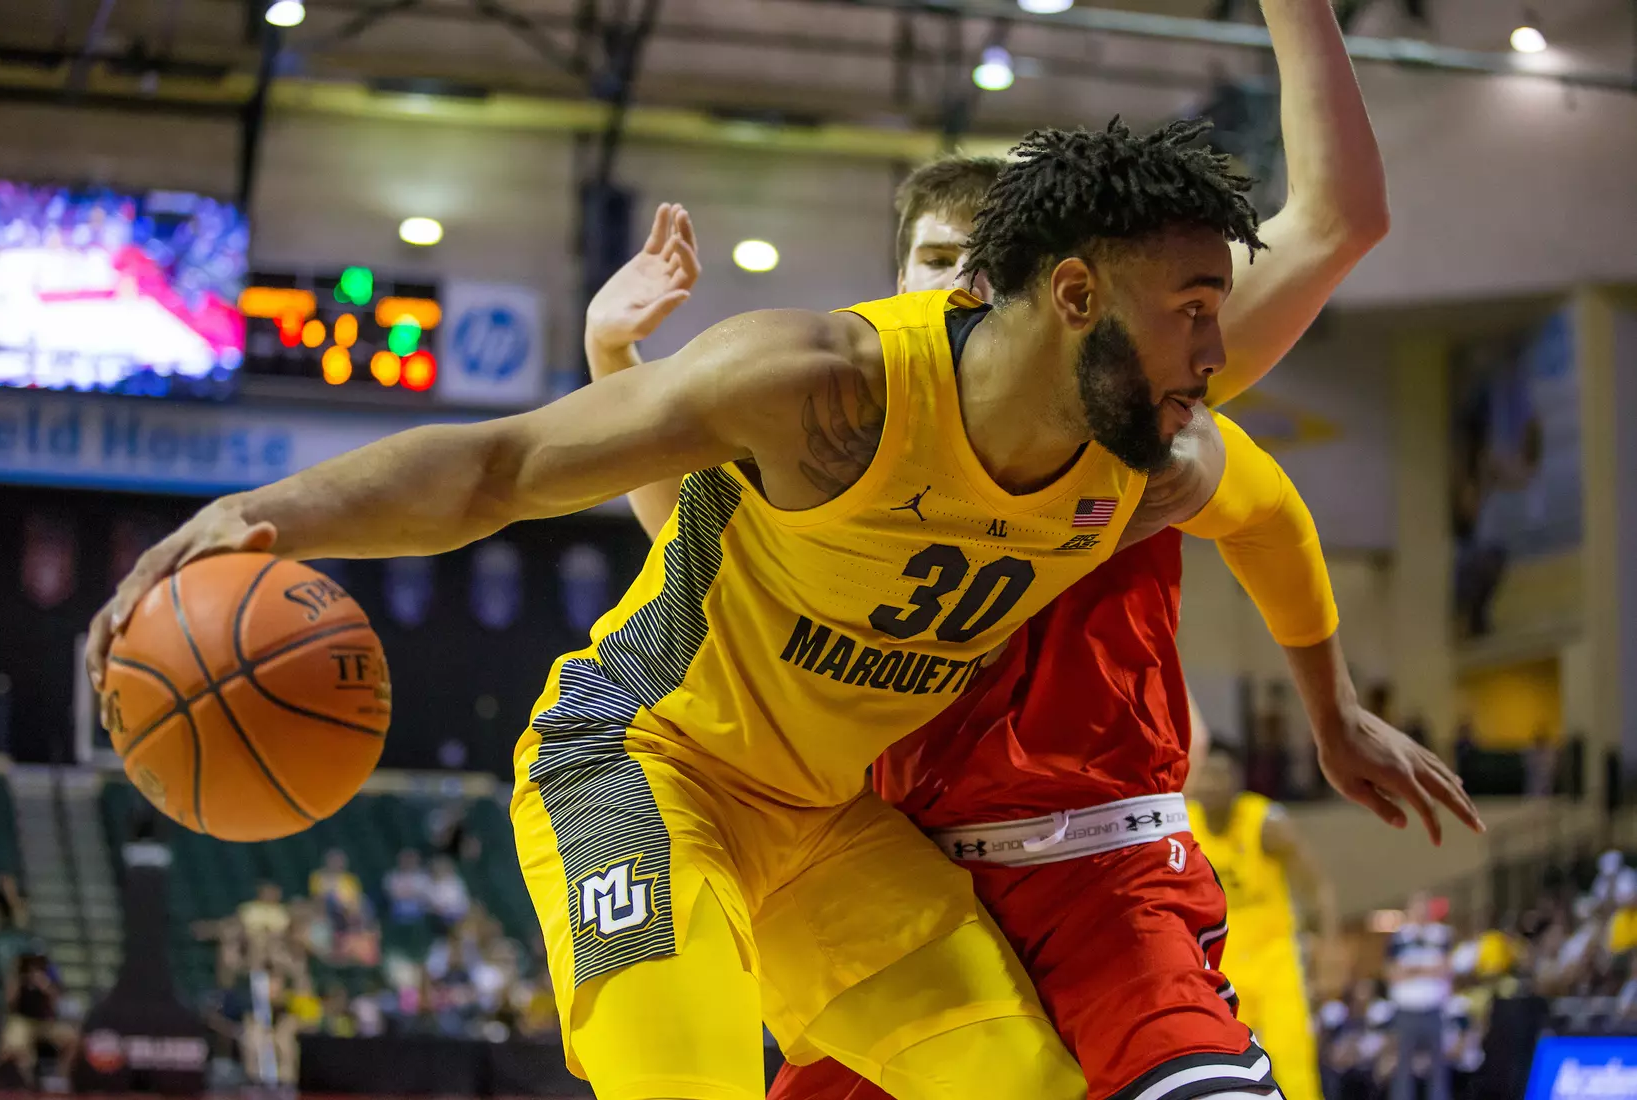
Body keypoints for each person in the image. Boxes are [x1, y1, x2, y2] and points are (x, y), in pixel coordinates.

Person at [91, 100, 1476, 1098]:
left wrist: (1333, 706)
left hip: (824, 822)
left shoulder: (1151, 457)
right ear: (1070, 299)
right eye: (1188, 311)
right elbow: (505, 466)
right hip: (637, 768)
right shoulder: (824, 388)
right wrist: (266, 516)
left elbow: (1275, 517)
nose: (1214, 347)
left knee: (1027, 1084)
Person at [578, 5, 1477, 1099]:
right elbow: (689, 542)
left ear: (1054, 289)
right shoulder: (848, 430)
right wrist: (611, 350)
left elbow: (1338, 225)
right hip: (909, 896)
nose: (958, 280)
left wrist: (1330, 711)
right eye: (934, 258)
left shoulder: (1127, 396)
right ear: (891, 281)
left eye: (982, 259)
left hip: (1099, 870)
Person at [1187, 743, 1339, 1100]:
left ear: (1237, 782)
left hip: (1274, 960)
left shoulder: (1267, 824)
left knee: (1292, 1059)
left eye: (1221, 775)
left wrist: (1330, 950)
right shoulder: (1185, 823)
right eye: (1206, 774)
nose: (1212, 784)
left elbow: (1317, 887)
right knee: (1221, 1064)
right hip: (1219, 965)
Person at [1385, 892, 1454, 1100]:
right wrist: (1427, 969)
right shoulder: (1399, 937)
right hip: (1406, 1011)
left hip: (1434, 1009)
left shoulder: (1441, 935)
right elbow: (1393, 974)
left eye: (1424, 907)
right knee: (1402, 1067)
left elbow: (1445, 968)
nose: (1420, 912)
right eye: (1416, 907)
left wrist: (1411, 970)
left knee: (1439, 1067)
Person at [0, 950, 78, 1088]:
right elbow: (9, 1002)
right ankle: (27, 1084)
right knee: (13, 1048)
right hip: (22, 1021)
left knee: (72, 1038)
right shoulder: (17, 979)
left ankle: (62, 1078)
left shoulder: (46, 978)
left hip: (44, 1023)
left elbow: (57, 1001)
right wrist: (17, 979)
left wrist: (43, 984)